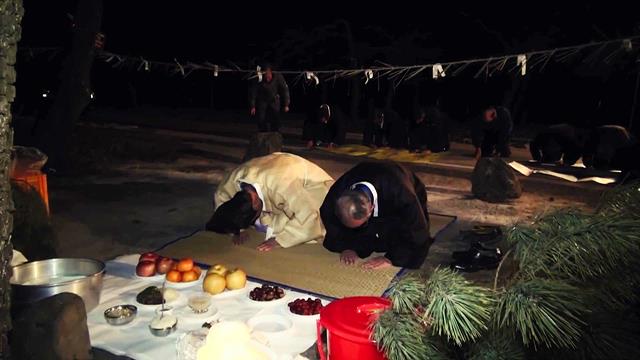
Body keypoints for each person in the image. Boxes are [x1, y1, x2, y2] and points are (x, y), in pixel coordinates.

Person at [205, 153, 333, 251]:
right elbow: (222, 201)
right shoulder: (234, 180)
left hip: (313, 187)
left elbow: (309, 216)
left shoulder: (282, 187)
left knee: (299, 228)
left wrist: (280, 241)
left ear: (255, 203)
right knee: (267, 224)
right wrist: (238, 229)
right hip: (273, 173)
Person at [320, 161, 432, 269]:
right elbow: (329, 217)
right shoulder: (337, 193)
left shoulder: (402, 195)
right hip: (369, 174)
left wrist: (392, 259)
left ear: (371, 209)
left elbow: (417, 230)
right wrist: (347, 247)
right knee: (368, 237)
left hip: (403, 184)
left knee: (399, 234)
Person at [248, 64, 290, 132]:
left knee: (275, 117)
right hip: (262, 99)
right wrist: (253, 106)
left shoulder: (278, 76)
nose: (267, 79)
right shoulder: (259, 77)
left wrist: (286, 104)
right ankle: (263, 133)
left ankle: (274, 133)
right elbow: (254, 91)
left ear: (271, 73)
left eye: (269, 77)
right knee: (261, 118)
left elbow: (285, 90)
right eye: (266, 77)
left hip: (274, 99)